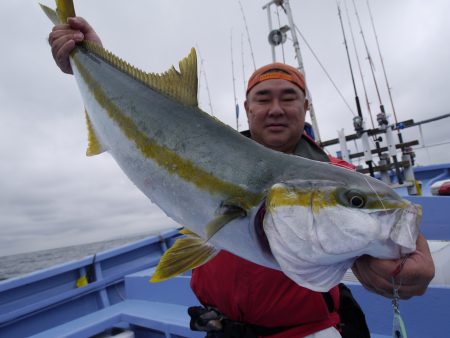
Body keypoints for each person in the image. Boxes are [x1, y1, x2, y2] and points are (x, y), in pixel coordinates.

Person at [48, 17, 435, 338]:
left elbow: (367, 201)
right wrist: (88, 56)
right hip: (219, 329)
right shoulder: (205, 147)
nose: (276, 108)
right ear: (247, 107)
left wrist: (413, 252)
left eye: (289, 96)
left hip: (308, 331)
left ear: (306, 105)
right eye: (264, 98)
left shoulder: (333, 175)